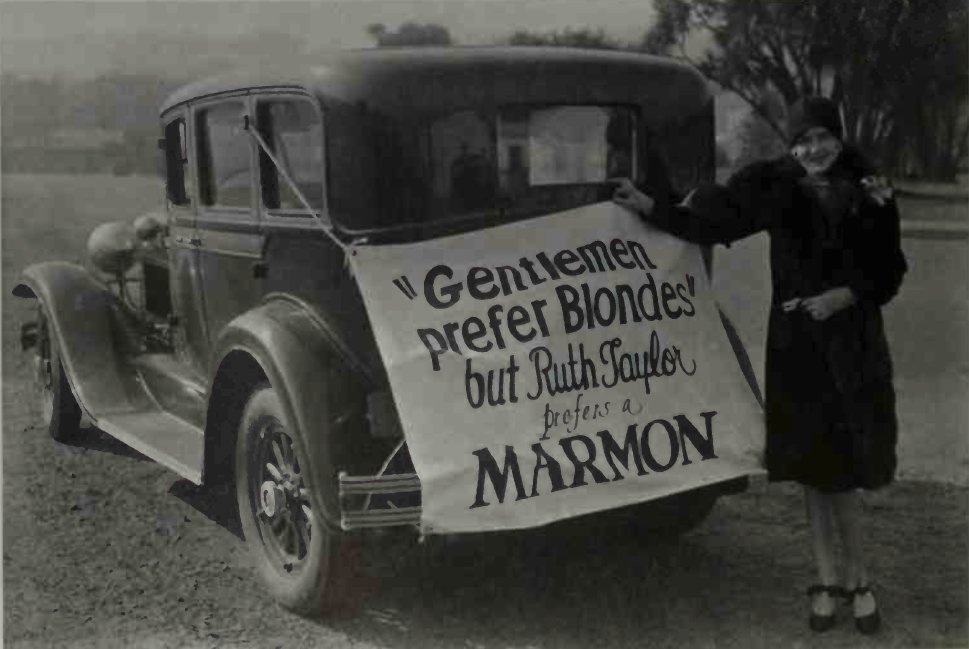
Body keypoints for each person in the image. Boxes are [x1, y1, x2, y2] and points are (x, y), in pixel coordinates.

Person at [612, 96, 907, 635]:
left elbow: (889, 272)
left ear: (838, 139)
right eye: (802, 140)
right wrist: (648, 206)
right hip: (797, 349)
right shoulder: (776, 189)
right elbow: (711, 221)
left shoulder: (870, 190)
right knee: (813, 474)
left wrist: (843, 296)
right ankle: (825, 581)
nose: (813, 149)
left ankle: (859, 582)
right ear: (791, 146)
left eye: (822, 138)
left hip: (852, 349)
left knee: (844, 475)